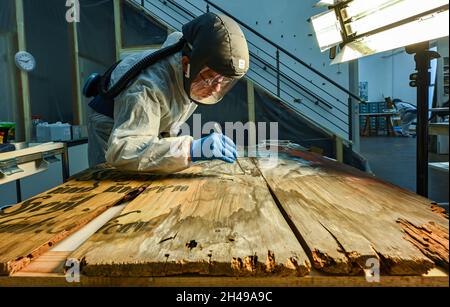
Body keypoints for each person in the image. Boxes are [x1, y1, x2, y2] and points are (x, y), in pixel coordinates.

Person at [86, 13, 249, 174]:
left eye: (224, 81)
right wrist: (190, 149)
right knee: (111, 184)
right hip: (110, 126)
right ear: (186, 64)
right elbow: (123, 149)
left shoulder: (189, 75)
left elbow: (169, 120)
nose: (217, 89)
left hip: (144, 127)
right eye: (210, 79)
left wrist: (177, 150)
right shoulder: (147, 86)